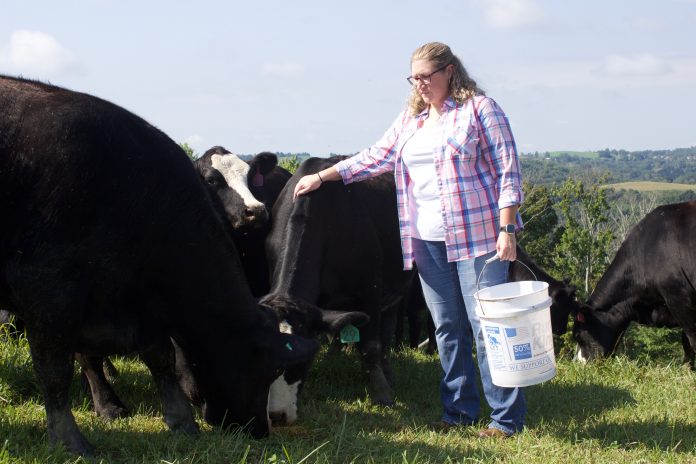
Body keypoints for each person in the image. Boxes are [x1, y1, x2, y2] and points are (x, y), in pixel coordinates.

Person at [293, 42, 525, 438]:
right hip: (426, 241)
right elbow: (375, 156)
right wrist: (323, 175)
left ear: (449, 71)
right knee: (448, 329)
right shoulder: (412, 120)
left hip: (479, 239)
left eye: (426, 76)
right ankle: (458, 413)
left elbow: (508, 169)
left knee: (488, 328)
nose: (419, 84)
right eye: (413, 78)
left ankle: (505, 420)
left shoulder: (480, 110)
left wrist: (507, 229)